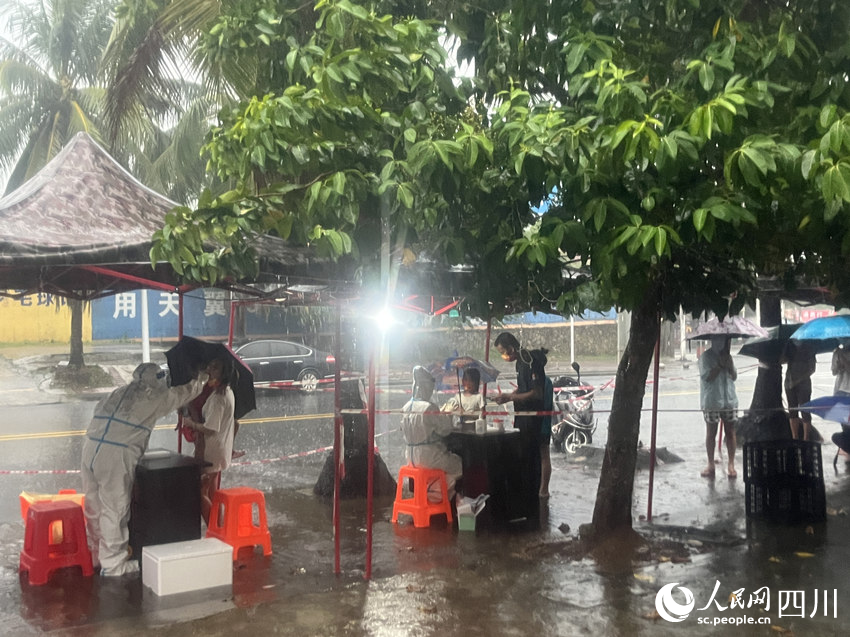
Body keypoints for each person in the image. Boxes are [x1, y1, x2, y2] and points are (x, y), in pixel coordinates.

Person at [81, 363, 208, 576]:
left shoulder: (118, 393)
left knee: (94, 504)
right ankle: (113, 565)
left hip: (90, 447)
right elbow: (184, 393)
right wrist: (202, 377)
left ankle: (95, 554)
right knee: (114, 508)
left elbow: (99, 411)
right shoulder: (153, 398)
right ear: (157, 379)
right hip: (115, 454)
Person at [492, 332, 548, 509]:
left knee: (532, 457)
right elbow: (524, 389)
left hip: (532, 418)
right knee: (523, 454)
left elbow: (536, 392)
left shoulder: (528, 361)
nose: (504, 356)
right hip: (522, 416)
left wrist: (511, 397)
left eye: (503, 352)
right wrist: (508, 396)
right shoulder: (520, 362)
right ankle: (526, 494)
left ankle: (534, 498)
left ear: (511, 348)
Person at [183, 358, 236, 525]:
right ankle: (218, 526)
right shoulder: (224, 391)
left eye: (215, 367)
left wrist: (191, 424)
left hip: (210, 451)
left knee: (200, 493)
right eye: (210, 366)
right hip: (218, 450)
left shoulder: (219, 397)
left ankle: (214, 527)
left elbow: (211, 428)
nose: (210, 370)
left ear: (224, 372)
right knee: (211, 492)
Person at [400, 366, 463, 501]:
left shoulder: (406, 407)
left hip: (410, 458)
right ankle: (437, 496)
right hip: (429, 457)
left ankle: (431, 493)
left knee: (444, 468)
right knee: (459, 464)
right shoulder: (429, 407)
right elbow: (445, 429)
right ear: (426, 387)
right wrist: (448, 413)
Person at [699, 335, 738, 479]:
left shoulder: (729, 357)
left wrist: (729, 366)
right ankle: (710, 464)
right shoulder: (706, 357)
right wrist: (719, 365)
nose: (722, 342)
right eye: (719, 339)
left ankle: (731, 464)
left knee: (730, 432)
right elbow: (706, 377)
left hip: (729, 399)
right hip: (712, 400)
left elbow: (734, 376)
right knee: (711, 432)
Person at [783, 341, 817, 441]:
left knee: (805, 410)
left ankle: (806, 438)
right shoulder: (788, 346)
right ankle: (795, 437)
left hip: (804, 383)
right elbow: (782, 360)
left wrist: (800, 379)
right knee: (792, 410)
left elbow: (812, 368)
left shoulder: (809, 347)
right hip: (789, 382)